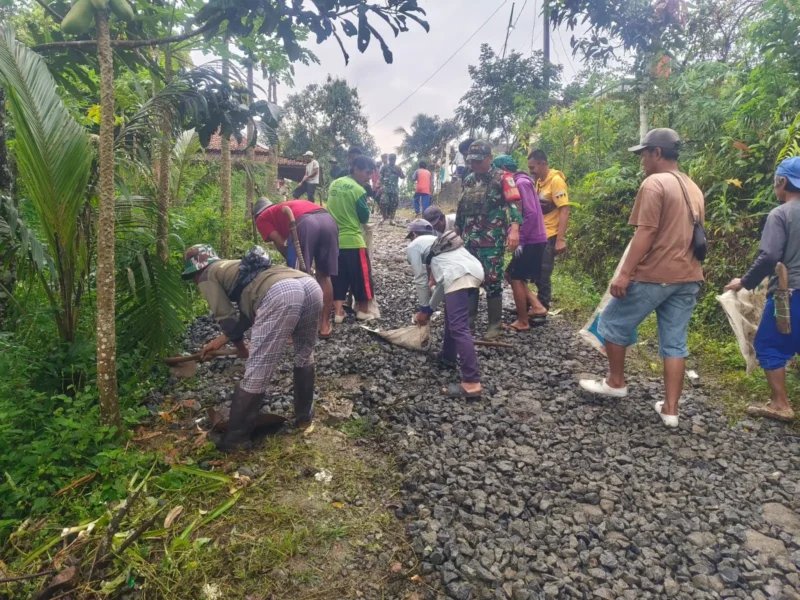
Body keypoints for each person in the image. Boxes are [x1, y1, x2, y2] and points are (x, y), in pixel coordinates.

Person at [579, 129, 705, 428]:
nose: (641, 161)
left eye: (644, 154)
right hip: (688, 276)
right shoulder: (693, 187)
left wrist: (624, 273)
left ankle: (615, 381)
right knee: (674, 343)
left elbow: (646, 232)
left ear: (657, 153)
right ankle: (671, 410)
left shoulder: (654, 183)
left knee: (611, 322)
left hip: (656, 275)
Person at [181, 244, 322, 450]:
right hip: (308, 284)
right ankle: (304, 417)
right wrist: (222, 340)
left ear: (197, 269)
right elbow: (251, 309)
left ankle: (236, 439)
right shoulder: (232, 267)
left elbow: (227, 318)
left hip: (281, 292)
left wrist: (241, 347)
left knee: (258, 368)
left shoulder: (206, 275)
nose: (195, 281)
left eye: (192, 276)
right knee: (304, 353)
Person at [724, 157, 800, 423]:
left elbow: (769, 257)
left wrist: (744, 282)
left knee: (768, 344)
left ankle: (781, 405)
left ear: (782, 181)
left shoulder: (781, 214)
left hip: (790, 294)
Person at [406, 222, 484, 399]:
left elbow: (420, 279)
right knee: (452, 316)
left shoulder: (413, 247)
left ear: (414, 235)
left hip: (459, 274)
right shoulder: (438, 243)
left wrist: (424, 309)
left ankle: (472, 383)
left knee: (459, 327)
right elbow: (443, 284)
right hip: (474, 269)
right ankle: (448, 356)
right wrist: (429, 310)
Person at [456, 140, 522, 340]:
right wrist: (457, 232)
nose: (474, 165)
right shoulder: (468, 180)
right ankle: (469, 321)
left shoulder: (503, 178)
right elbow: (461, 208)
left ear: (490, 158)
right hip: (469, 240)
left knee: (493, 280)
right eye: (472, 161)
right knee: (470, 279)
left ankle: (494, 325)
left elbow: (515, 204)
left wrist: (515, 230)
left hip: (492, 241)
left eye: (478, 161)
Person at [253, 198, 339, 339]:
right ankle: (324, 325)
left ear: (256, 214)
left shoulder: (261, 218)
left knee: (297, 278)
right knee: (324, 275)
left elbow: (281, 242)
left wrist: (292, 264)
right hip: (328, 220)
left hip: (305, 223)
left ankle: (295, 330)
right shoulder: (283, 207)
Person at [492, 155, 548, 332]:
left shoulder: (521, 183)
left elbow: (529, 214)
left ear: (504, 171)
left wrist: (520, 239)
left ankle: (523, 321)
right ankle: (536, 306)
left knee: (516, 278)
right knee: (509, 274)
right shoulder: (521, 182)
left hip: (531, 239)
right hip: (531, 237)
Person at [327, 155, 377, 323]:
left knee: (338, 277)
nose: (369, 177)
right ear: (356, 169)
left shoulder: (334, 184)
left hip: (335, 241)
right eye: (367, 172)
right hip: (354, 241)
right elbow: (364, 217)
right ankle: (363, 310)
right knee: (362, 277)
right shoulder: (358, 190)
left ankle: (339, 312)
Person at [528, 150, 570, 318]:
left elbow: (565, 210)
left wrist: (560, 239)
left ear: (542, 164)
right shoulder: (539, 182)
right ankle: (531, 304)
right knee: (533, 270)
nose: (531, 170)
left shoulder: (557, 182)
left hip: (550, 234)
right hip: (538, 233)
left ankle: (542, 308)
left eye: (533, 167)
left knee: (544, 272)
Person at [380, 153, 405, 225]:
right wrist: (381, 186)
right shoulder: (384, 167)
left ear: (395, 159)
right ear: (389, 159)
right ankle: (384, 217)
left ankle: (392, 219)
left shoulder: (398, 168)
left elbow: (402, 177)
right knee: (383, 202)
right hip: (386, 188)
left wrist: (399, 172)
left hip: (394, 189)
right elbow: (381, 177)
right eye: (391, 159)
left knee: (394, 203)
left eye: (393, 159)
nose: (392, 161)